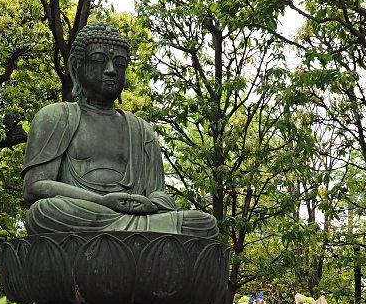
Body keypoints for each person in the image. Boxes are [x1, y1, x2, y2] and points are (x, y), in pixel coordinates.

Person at [21, 21, 218, 238]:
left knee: (204, 223)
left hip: (137, 219)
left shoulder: (141, 130)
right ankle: (130, 239)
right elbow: (34, 186)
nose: (111, 70)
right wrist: (101, 201)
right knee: (44, 212)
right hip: (84, 213)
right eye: (98, 60)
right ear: (77, 66)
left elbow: (159, 195)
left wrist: (148, 205)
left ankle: (127, 237)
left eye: (120, 63)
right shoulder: (57, 116)